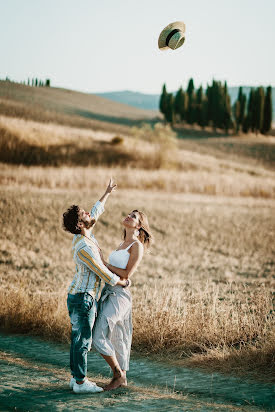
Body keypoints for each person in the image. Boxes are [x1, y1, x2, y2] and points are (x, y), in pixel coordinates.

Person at [62, 179, 129, 394]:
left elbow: (95, 212)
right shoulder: (84, 248)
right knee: (83, 341)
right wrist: (123, 281)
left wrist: (107, 192)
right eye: (84, 215)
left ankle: (75, 379)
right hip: (84, 298)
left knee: (77, 339)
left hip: (79, 296)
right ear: (80, 224)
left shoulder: (85, 235)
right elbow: (103, 273)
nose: (89, 214)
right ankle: (81, 383)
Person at [93, 209, 152, 390]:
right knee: (117, 336)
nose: (128, 216)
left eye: (133, 217)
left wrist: (103, 264)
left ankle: (117, 373)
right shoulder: (121, 244)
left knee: (99, 334)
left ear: (139, 226)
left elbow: (126, 274)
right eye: (129, 214)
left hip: (120, 295)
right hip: (108, 291)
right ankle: (121, 379)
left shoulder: (136, 246)